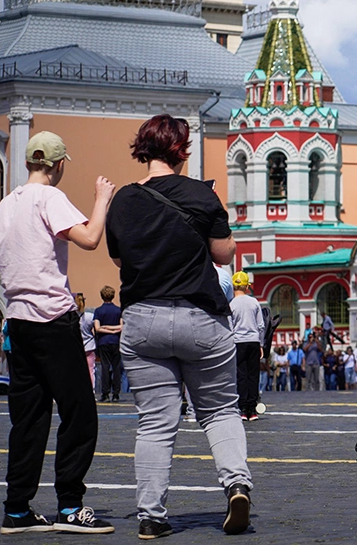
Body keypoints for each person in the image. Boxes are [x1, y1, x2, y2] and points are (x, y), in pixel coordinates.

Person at [106, 114, 252, 537]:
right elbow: (224, 254)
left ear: (142, 149)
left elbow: (119, 260)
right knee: (220, 411)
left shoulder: (123, 200)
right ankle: (237, 484)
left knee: (155, 423)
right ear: (181, 150)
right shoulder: (201, 195)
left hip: (144, 319)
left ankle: (151, 516)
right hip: (200, 317)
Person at [0, 130, 115, 534]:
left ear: (26, 162)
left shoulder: (5, 206)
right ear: (58, 165)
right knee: (79, 413)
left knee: (29, 419)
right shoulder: (51, 198)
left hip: (18, 323)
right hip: (54, 321)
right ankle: (70, 506)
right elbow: (89, 239)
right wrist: (102, 200)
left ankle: (18, 509)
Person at [229, 272, 265, 420]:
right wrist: (261, 344)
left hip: (238, 342)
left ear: (233, 286)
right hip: (253, 341)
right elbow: (261, 326)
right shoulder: (254, 302)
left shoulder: (231, 304)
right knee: (253, 375)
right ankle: (253, 409)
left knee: (241, 375)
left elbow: (229, 327)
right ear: (247, 287)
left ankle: (243, 409)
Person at [92, 286, 123, 402]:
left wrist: (106, 327)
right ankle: (116, 393)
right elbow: (122, 326)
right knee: (116, 367)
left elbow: (97, 328)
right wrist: (114, 330)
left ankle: (105, 393)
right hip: (116, 341)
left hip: (103, 341)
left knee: (105, 367)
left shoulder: (99, 311)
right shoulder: (118, 310)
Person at [75, 295, 96, 392]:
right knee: (90, 370)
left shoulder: (72, 316)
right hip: (89, 346)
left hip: (76, 346)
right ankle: (91, 390)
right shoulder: (89, 316)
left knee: (76, 370)